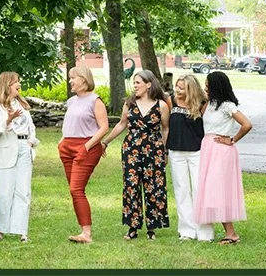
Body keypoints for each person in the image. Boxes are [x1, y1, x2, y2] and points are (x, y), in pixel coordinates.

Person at [101, 70, 170, 240]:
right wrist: (105, 141)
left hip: (154, 149)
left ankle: (152, 228)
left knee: (153, 187)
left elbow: (166, 128)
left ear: (149, 84)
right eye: (134, 82)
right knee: (131, 186)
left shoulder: (161, 105)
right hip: (131, 149)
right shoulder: (129, 103)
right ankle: (132, 227)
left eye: (138, 82)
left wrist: (165, 151)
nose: (135, 85)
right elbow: (121, 124)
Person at [194, 71, 252, 245]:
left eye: (208, 85)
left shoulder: (227, 106)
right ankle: (229, 233)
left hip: (221, 150)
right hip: (208, 148)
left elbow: (247, 124)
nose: (205, 88)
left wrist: (232, 139)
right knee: (211, 190)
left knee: (218, 190)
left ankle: (231, 234)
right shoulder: (209, 104)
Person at [58, 65, 108, 244]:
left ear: (84, 80)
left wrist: (86, 147)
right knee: (75, 191)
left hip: (85, 148)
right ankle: (83, 230)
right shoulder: (72, 101)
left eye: (74, 78)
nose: (70, 81)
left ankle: (86, 234)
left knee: (76, 189)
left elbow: (104, 127)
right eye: (70, 78)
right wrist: (62, 141)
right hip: (67, 148)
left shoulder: (95, 101)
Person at [0, 72, 39, 243]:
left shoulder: (22, 105)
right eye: (16, 82)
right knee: (3, 193)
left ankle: (21, 230)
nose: (19, 84)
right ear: (7, 85)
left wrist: (31, 142)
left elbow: (31, 126)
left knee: (23, 191)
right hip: (5, 151)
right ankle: (2, 229)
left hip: (24, 149)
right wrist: (8, 120)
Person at [166, 74, 214, 242]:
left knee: (200, 190)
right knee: (182, 190)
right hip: (176, 151)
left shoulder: (203, 103)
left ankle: (205, 231)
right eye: (176, 86)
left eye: (181, 87)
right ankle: (186, 230)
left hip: (197, 152)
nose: (177, 90)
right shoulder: (170, 101)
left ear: (190, 89)